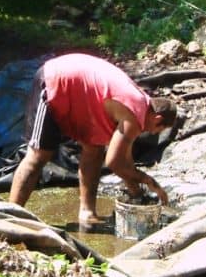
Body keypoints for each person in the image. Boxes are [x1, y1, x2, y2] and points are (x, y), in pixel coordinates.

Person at [9, 53, 178, 223]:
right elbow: (115, 162)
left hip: (82, 91)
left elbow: (125, 161)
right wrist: (149, 181)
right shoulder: (134, 115)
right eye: (159, 129)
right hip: (54, 80)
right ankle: (10, 217)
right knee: (38, 156)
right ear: (157, 119)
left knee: (94, 149)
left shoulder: (141, 106)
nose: (154, 134)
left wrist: (138, 194)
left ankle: (87, 213)